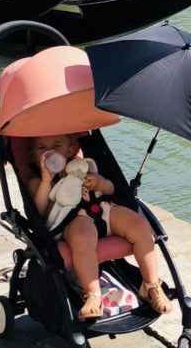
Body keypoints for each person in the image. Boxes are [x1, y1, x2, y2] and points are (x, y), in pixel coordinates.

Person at [27, 132, 171, 319]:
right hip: (74, 219)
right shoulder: (37, 181)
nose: (50, 152)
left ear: (70, 150)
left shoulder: (84, 167)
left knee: (140, 225)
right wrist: (47, 181)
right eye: (41, 148)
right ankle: (93, 295)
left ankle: (151, 285)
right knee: (81, 239)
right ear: (33, 155)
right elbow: (38, 212)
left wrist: (100, 184)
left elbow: (111, 189)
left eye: (57, 146)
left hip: (105, 209)